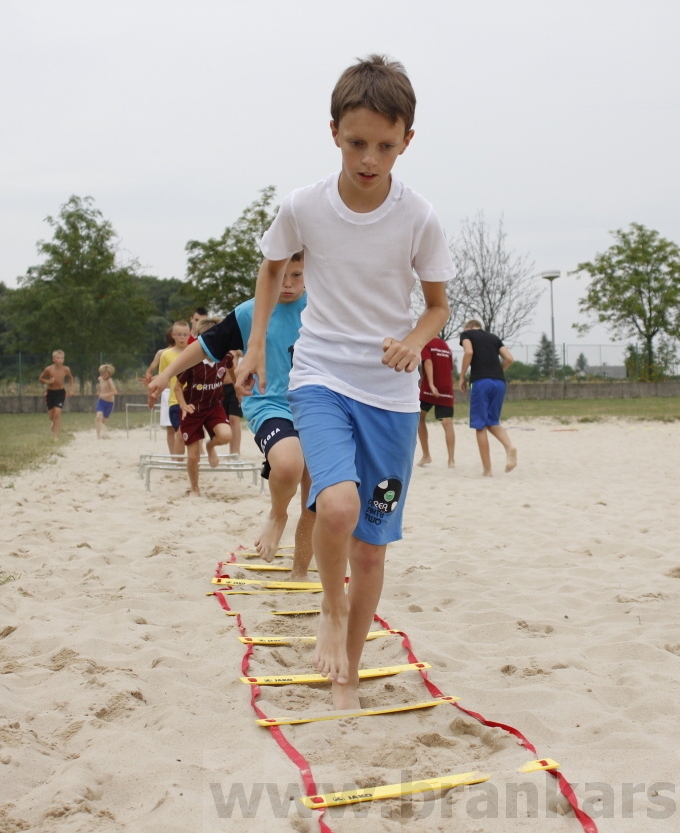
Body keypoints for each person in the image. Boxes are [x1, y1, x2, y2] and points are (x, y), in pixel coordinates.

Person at [234, 54, 454, 710]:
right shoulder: (305, 206)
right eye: (356, 142)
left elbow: (438, 305)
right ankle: (330, 607)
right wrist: (254, 345)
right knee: (335, 505)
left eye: (385, 146)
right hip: (322, 377)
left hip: (389, 397)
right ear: (334, 132)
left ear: (406, 142)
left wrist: (415, 340)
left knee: (372, 547)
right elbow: (271, 270)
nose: (369, 158)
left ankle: (349, 671)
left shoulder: (420, 217)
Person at [148, 254, 315, 577]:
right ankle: (277, 513)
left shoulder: (321, 307)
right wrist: (161, 376)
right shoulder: (250, 311)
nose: (288, 284)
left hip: (316, 406)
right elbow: (204, 346)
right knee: (290, 465)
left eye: (296, 275)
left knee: (315, 496)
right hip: (269, 403)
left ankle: (299, 570)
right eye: (280, 276)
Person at [174, 318, 234, 496]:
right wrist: (183, 405)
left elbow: (231, 370)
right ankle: (195, 488)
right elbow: (177, 386)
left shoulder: (226, 357)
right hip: (193, 409)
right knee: (193, 456)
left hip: (214, 406)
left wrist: (238, 388)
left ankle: (210, 446)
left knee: (226, 435)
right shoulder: (191, 361)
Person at [459, 320, 517, 476]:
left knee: (480, 426)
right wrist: (497, 371)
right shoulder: (494, 337)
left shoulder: (466, 334)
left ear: (467, 327)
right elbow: (509, 358)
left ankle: (487, 470)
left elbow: (469, 352)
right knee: (493, 421)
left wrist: (462, 376)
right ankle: (509, 447)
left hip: (481, 382)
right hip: (499, 382)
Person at [152, 322, 190, 456]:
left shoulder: (194, 352)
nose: (182, 337)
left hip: (193, 401)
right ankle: (177, 463)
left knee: (194, 435)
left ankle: (193, 461)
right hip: (175, 401)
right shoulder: (166, 355)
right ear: (173, 335)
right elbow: (163, 378)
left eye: (185, 334)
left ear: (189, 335)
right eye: (179, 334)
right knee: (179, 432)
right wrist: (156, 393)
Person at [416, 335, 455, 467]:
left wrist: (431, 384)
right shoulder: (445, 346)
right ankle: (451, 460)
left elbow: (428, 362)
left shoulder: (426, 342)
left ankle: (426, 455)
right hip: (446, 386)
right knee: (447, 422)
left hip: (430, 387)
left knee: (419, 417)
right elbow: (450, 368)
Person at [38, 350, 74, 440]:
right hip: (50, 393)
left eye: (62, 358)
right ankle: (54, 423)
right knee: (51, 416)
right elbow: (41, 378)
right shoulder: (48, 369)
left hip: (60, 392)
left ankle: (56, 437)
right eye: (58, 358)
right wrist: (48, 381)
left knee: (57, 413)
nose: (60, 360)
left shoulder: (66, 369)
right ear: (53, 359)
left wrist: (71, 389)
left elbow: (71, 378)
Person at [94, 364, 117, 439]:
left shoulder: (109, 381)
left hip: (109, 403)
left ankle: (103, 432)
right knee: (98, 417)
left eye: (105, 374)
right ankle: (98, 436)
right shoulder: (101, 379)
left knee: (104, 420)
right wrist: (99, 392)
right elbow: (100, 387)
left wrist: (104, 395)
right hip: (101, 402)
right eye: (102, 374)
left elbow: (114, 392)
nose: (104, 375)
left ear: (109, 374)